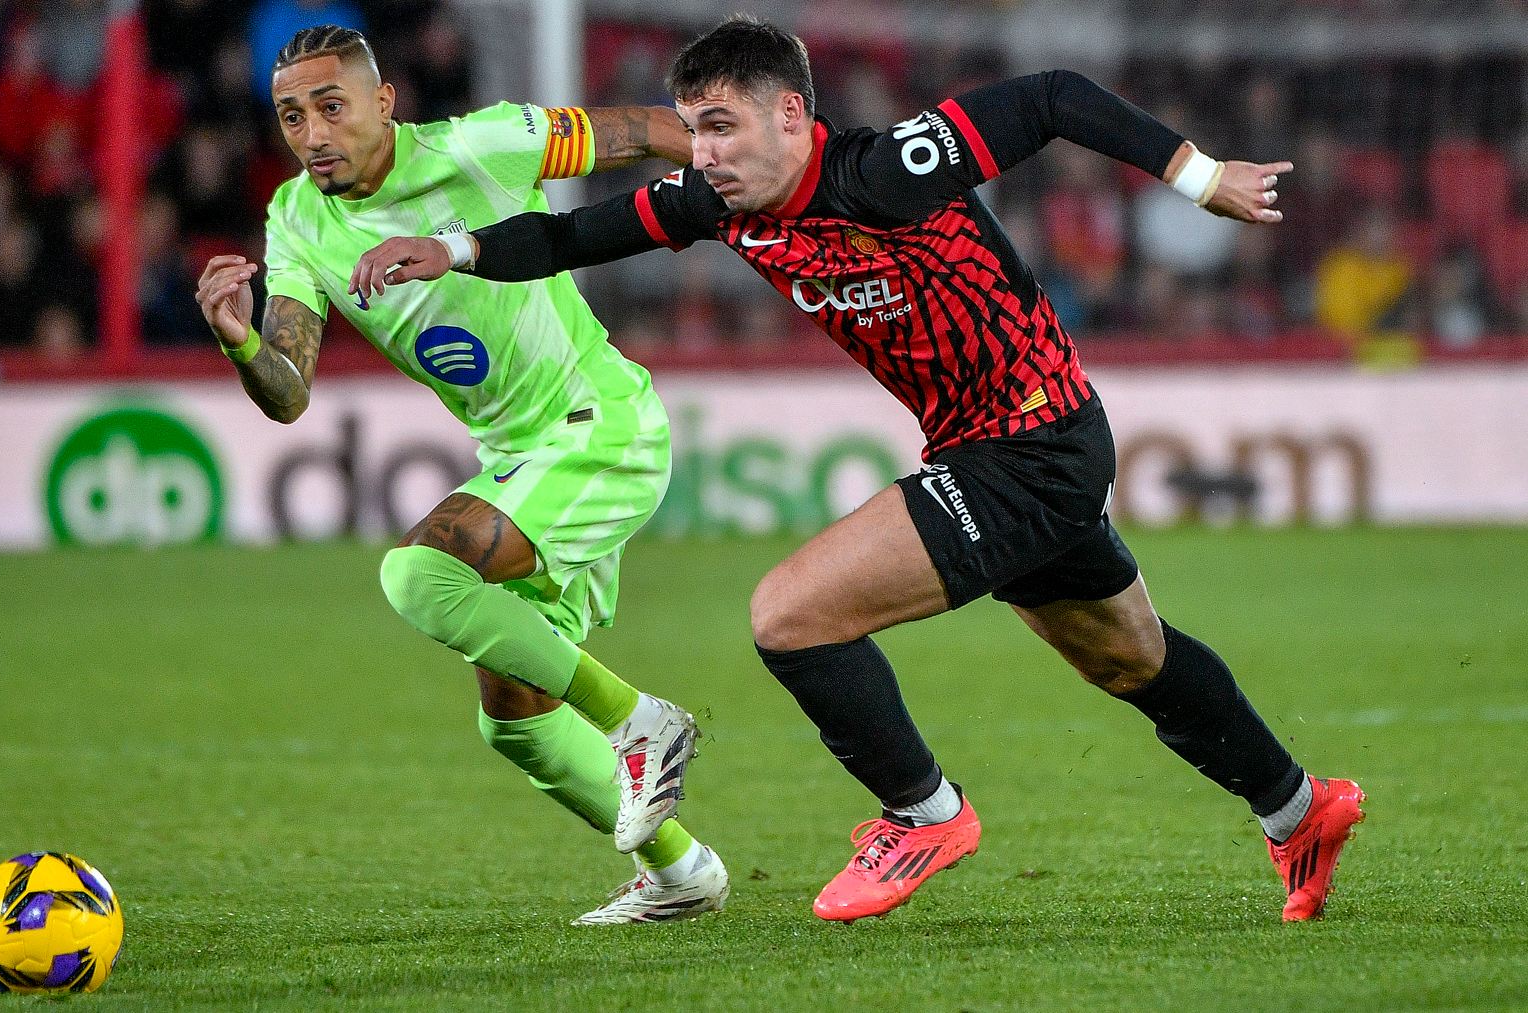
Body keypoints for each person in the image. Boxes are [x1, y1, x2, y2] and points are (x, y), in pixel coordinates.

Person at [352, 15, 1365, 925]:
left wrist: (1200, 176)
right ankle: (1299, 806)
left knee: (791, 612)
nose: (702, 153)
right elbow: (576, 231)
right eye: (692, 130)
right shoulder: (716, 204)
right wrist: (455, 250)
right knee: (1129, 658)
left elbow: (1054, 95)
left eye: (721, 126)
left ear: (792, 114)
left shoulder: (885, 172)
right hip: (994, 445)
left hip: (1033, 439)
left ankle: (923, 812)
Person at [194, 25, 729, 925]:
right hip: (522, 460)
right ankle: (683, 873)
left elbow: (642, 129)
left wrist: (771, 181)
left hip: (600, 427)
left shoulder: (485, 145)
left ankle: (642, 720)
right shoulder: (297, 220)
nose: (314, 133)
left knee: (419, 571)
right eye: (293, 116)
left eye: (332, 107)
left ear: (384, 102)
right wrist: (240, 338)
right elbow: (287, 393)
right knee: (514, 714)